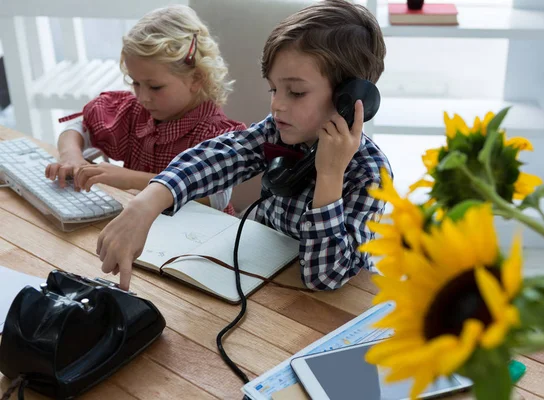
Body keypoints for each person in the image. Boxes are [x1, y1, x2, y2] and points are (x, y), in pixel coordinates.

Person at [96, 0, 392, 291]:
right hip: (265, 278)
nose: (277, 105)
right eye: (274, 89)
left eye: (296, 92)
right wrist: (145, 205)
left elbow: (324, 276)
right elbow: (220, 157)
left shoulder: (370, 173)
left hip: (326, 309)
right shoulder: (276, 131)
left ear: (350, 98)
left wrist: (329, 176)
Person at [45, 5, 245, 215]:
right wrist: (71, 156)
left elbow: (215, 197)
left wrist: (127, 178)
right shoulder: (135, 112)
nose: (142, 97)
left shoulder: (213, 134)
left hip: (198, 238)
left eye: (155, 87)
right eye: (135, 83)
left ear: (196, 78)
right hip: (140, 227)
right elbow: (80, 126)